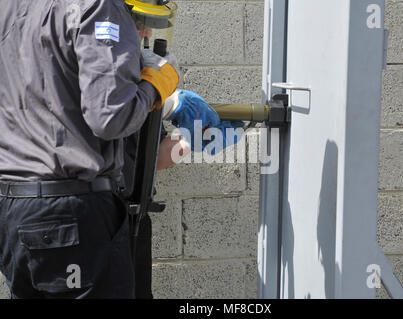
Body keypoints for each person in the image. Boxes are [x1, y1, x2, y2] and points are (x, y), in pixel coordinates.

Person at [0, 0, 240, 299]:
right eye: (136, 22)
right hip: (74, 211)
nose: (140, 33)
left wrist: (185, 140)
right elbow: (111, 117)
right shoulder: (100, 9)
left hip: (16, 208)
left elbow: (150, 156)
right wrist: (158, 86)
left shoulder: (16, 10)